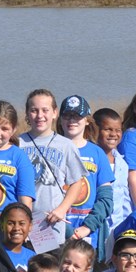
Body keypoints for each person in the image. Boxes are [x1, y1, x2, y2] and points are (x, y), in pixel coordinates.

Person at [16, 89, 86, 229]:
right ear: (27, 114)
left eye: (45, 110)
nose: (40, 116)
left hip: (52, 221)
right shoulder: (17, 144)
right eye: (34, 110)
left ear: (55, 113)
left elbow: (76, 182)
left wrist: (62, 209)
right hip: (21, 221)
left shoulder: (66, 145)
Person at [57, 94, 114, 259]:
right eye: (67, 115)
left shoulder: (97, 153)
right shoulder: (52, 148)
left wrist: (87, 227)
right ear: (60, 119)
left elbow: (106, 199)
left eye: (77, 116)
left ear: (87, 120)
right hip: (56, 232)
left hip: (87, 234)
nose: (72, 120)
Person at [93, 108, 132, 232]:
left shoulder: (122, 163)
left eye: (118, 130)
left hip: (117, 228)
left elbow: (125, 199)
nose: (114, 134)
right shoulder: (90, 160)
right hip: (95, 227)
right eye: (108, 129)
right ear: (95, 130)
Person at [0, 202, 36, 272]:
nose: (16, 228)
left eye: (22, 223)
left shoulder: (32, 257)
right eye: (10, 223)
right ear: (2, 225)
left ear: (30, 226)